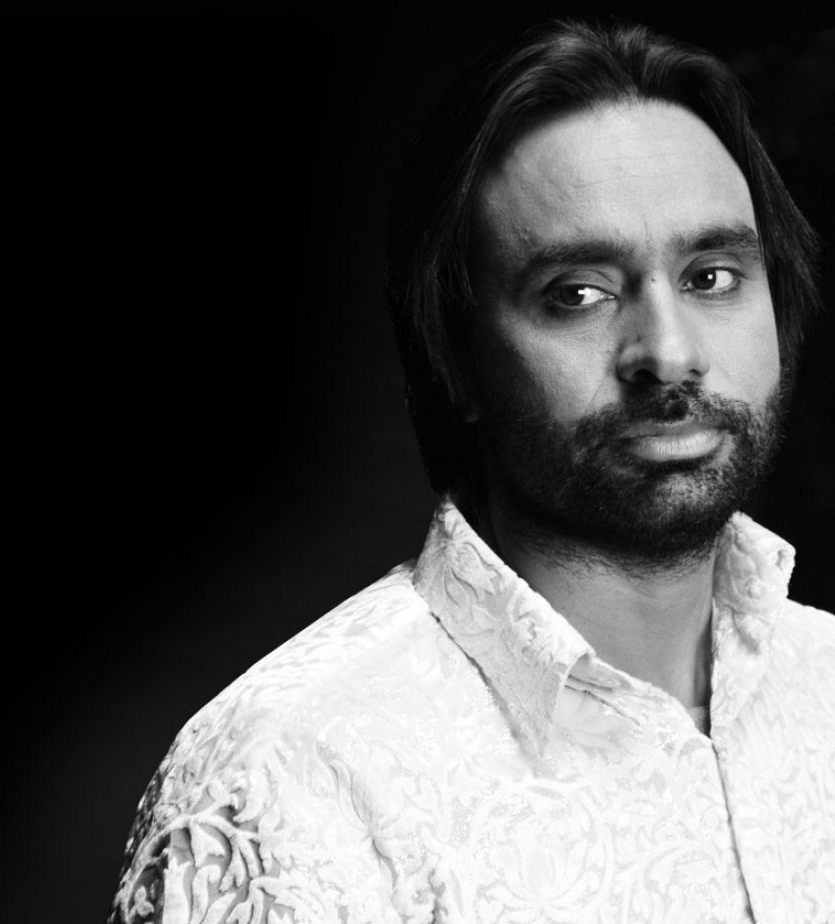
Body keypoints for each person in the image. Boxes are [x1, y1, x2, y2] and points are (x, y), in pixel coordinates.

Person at [109, 19, 835, 923]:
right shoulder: (287, 782)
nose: (669, 353)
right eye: (578, 294)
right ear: (455, 361)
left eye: (712, 276)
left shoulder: (826, 685)